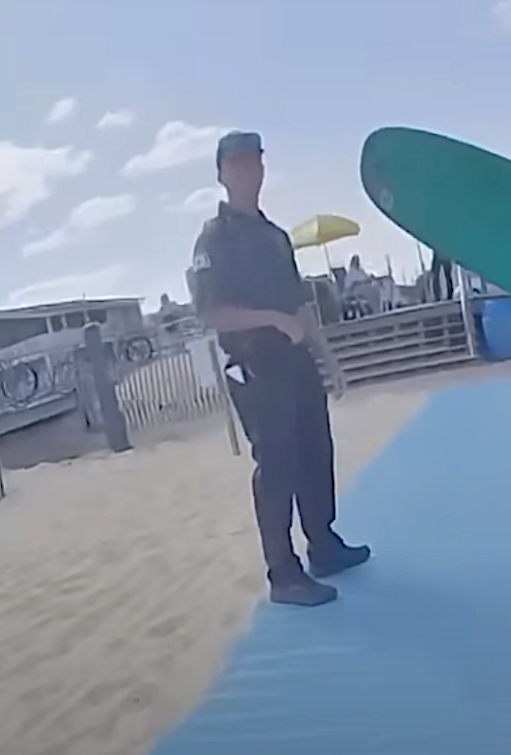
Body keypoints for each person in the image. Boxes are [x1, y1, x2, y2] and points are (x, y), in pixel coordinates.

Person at [189, 130, 370, 606]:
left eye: (255, 161)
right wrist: (271, 319)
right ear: (222, 174)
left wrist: (328, 358)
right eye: (238, 163)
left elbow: (300, 304)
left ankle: (323, 545)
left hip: (296, 362)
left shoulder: (275, 237)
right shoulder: (215, 238)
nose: (250, 170)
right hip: (255, 365)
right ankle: (284, 574)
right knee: (277, 466)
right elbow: (211, 313)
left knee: (315, 453)